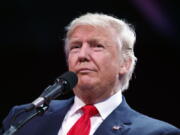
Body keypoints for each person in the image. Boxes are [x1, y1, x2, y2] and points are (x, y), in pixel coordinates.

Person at [1, 13, 179, 135]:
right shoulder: (24, 118)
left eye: (97, 46)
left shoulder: (155, 132)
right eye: (75, 47)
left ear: (125, 63)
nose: (82, 55)